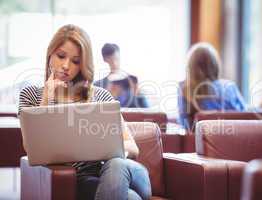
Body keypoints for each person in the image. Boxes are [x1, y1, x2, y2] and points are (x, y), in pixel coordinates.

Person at [18, 24, 151, 200]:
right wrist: (47, 99)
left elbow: (132, 148)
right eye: (61, 56)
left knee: (117, 164)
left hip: (127, 172)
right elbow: (32, 150)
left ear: (83, 65)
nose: (66, 65)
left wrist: (101, 148)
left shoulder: (101, 96)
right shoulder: (30, 95)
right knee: (131, 198)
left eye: (75, 61)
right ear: (50, 54)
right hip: (85, 180)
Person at [178, 42, 246, 130]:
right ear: (215, 65)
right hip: (233, 138)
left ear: (190, 67)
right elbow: (244, 115)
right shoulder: (229, 87)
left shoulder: (184, 89)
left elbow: (184, 124)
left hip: (197, 141)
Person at [94, 43, 149, 108]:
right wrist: (108, 97)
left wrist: (139, 94)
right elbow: (96, 111)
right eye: (110, 60)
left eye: (116, 59)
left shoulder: (131, 81)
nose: (114, 63)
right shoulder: (99, 85)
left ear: (120, 56)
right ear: (105, 60)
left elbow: (147, 109)